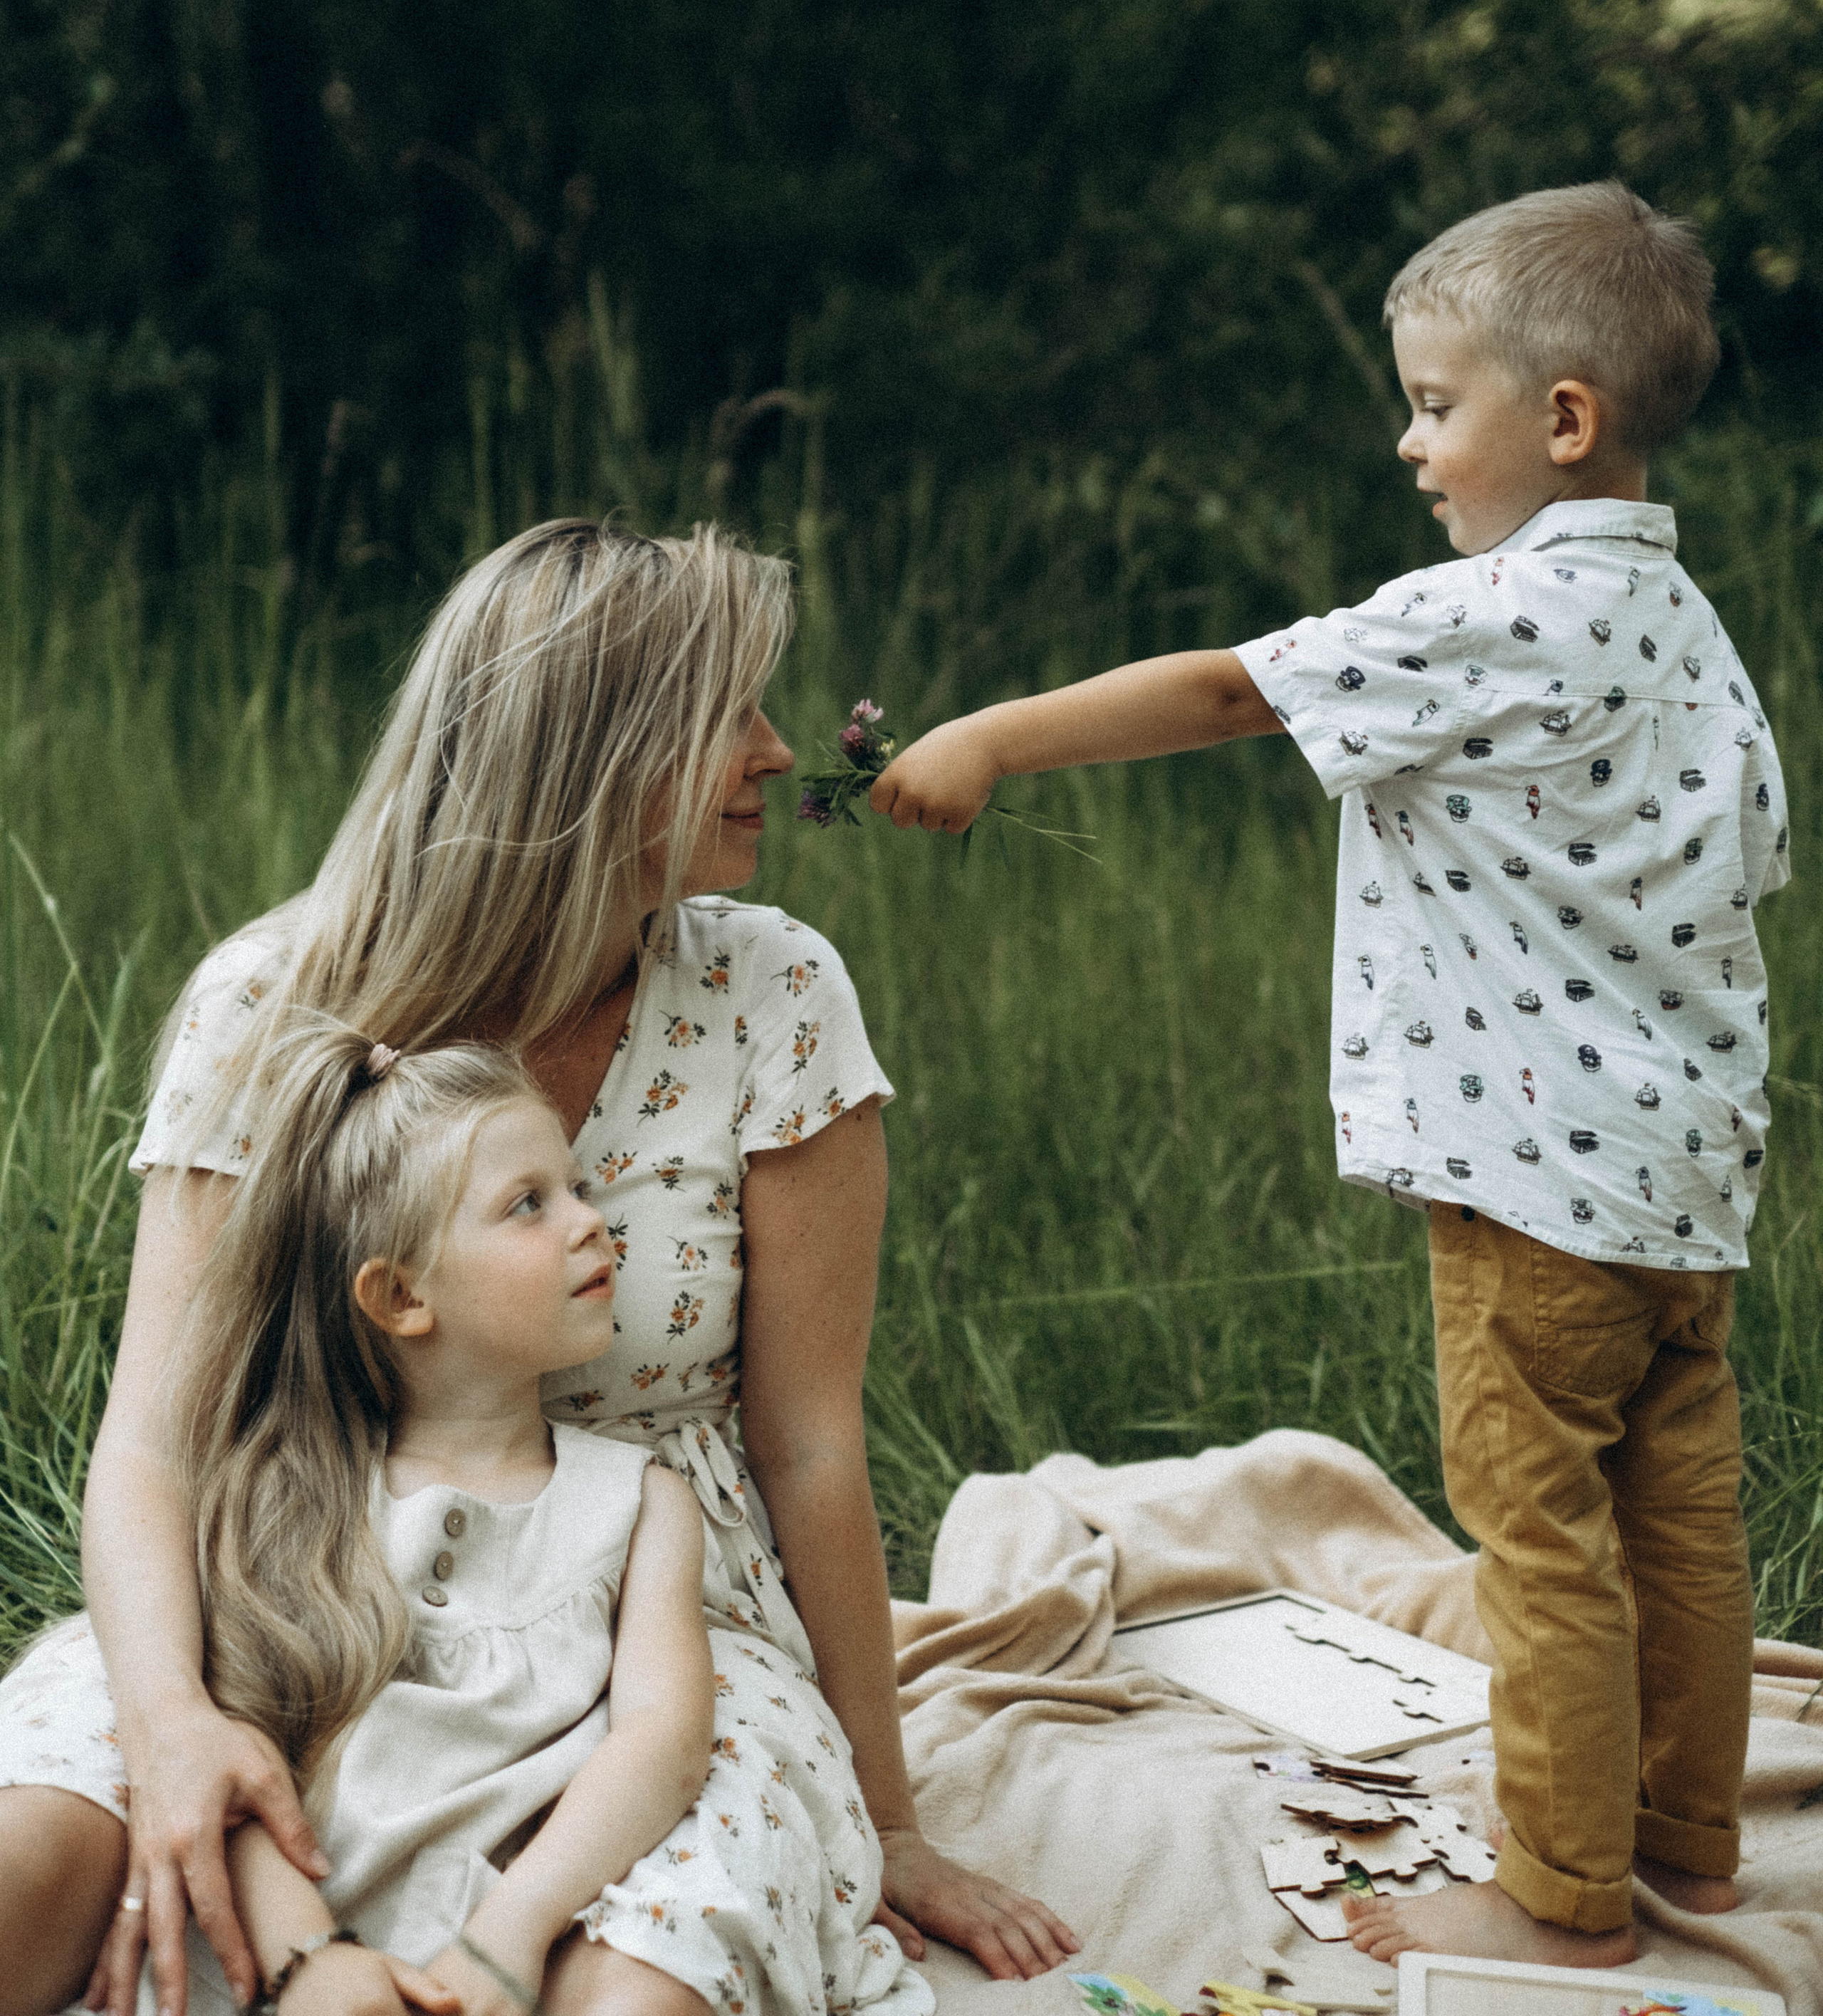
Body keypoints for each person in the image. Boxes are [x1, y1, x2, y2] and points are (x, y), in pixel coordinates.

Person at [869, 183, 1788, 1970]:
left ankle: (1560, 1897)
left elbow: (1228, 694)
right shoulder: (1692, 639)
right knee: (1674, 1519)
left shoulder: (1497, 611)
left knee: (1538, 1536)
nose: (1408, 439)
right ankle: (1686, 1847)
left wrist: (986, 738)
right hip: (1685, 1187)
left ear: (1563, 418)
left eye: (1437, 405)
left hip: (1531, 1192)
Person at [0, 521, 1078, 2016]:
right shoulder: (274, 995)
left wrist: (887, 1822)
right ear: (591, 753)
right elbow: (157, 1438)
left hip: (658, 1606)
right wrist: (170, 1713)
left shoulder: (770, 991)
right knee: (38, 1857)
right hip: (294, 1574)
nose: (775, 753)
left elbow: (809, 1442)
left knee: (639, 1984)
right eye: (733, 716)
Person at [136, 1020, 716, 2016]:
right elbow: (242, 1758)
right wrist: (311, 1962)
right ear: (402, 1295)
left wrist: (510, 1938)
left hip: (511, 1954)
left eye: (575, 1187)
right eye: (527, 1205)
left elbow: (663, 1741)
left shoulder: (637, 1503)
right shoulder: (296, 1495)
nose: (588, 1221)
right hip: (306, 1957)